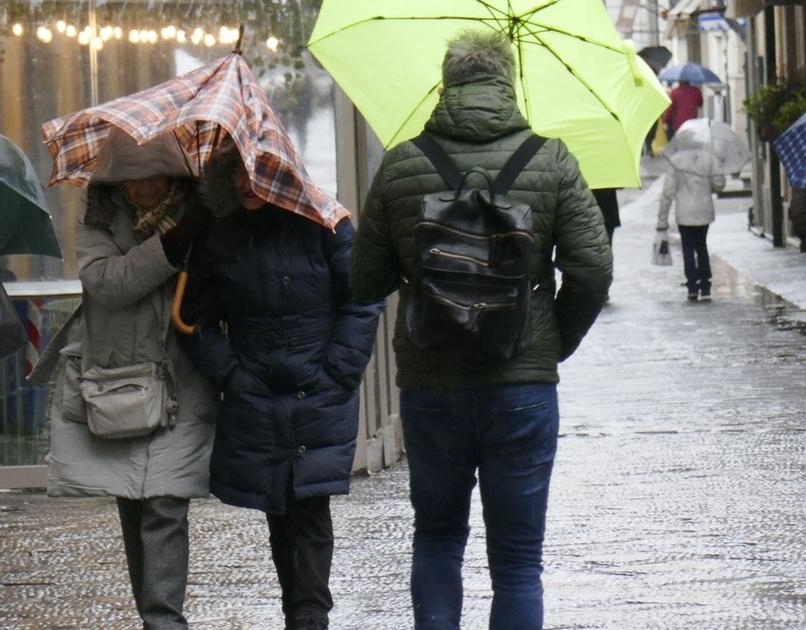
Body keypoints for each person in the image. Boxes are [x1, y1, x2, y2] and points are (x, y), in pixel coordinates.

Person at [348, 30, 612, 629]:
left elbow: (364, 279)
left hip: (431, 383)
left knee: (437, 537)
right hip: (520, 386)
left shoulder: (404, 162)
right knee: (518, 561)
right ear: (507, 84)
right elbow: (592, 269)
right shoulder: (550, 158)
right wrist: (552, 340)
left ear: (446, 86)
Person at [177, 147, 382, 630]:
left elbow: (362, 300)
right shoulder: (221, 234)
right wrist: (230, 374)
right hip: (256, 389)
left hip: (319, 387)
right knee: (277, 504)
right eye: (236, 175)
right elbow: (189, 317)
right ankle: (299, 611)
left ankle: (309, 615)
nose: (246, 185)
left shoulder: (326, 223)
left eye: (256, 174)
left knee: (308, 504)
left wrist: (337, 372)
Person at [31, 174, 216, 630]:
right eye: (135, 179)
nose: (145, 187)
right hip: (120, 380)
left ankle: (163, 621)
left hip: (182, 378)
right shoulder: (98, 221)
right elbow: (107, 282)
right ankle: (154, 615)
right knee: (134, 502)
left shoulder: (204, 213)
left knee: (166, 503)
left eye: (155, 177)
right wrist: (172, 246)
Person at [657, 148, 726, 302]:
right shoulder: (709, 157)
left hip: (684, 212)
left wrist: (662, 220)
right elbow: (719, 184)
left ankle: (692, 287)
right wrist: (709, 184)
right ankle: (706, 285)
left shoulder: (676, 160)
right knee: (701, 246)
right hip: (703, 210)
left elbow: (668, 191)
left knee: (687, 248)